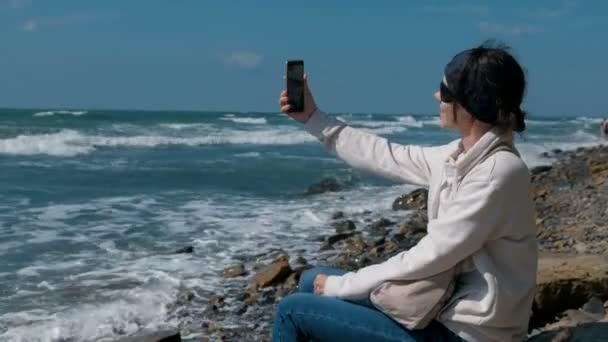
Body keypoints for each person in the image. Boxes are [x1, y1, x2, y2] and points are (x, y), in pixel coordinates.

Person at [272, 42, 538, 342]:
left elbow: (429, 257)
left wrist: (340, 286)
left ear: (472, 104)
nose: (437, 96)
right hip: (443, 308)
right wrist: (314, 119)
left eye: (446, 91)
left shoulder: (497, 172)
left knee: (293, 311)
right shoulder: (461, 156)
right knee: (310, 281)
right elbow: (387, 155)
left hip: (469, 334)